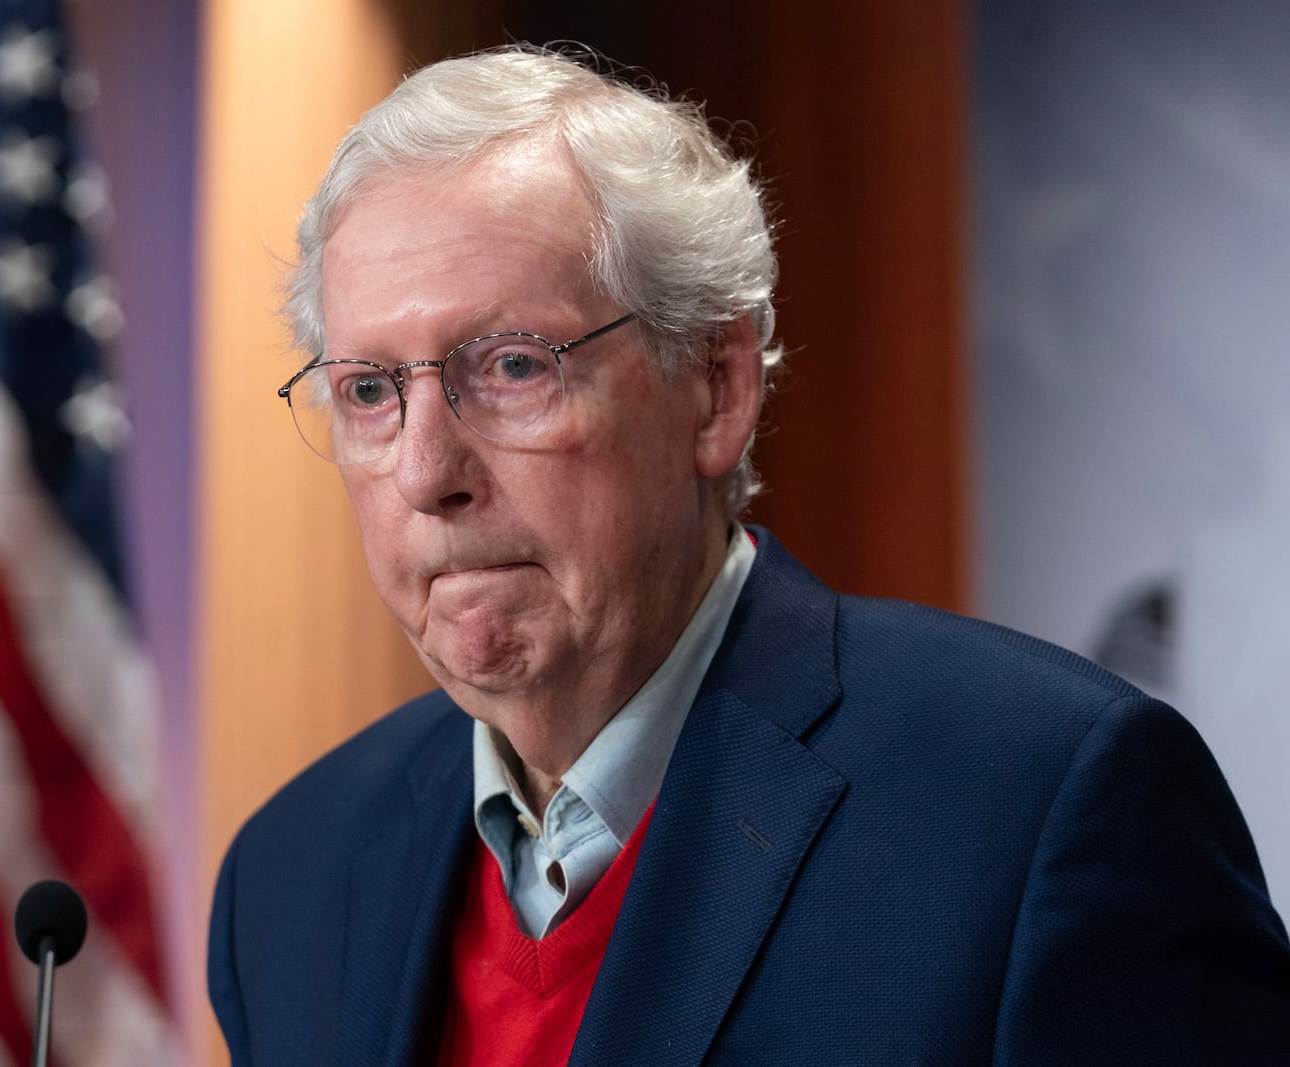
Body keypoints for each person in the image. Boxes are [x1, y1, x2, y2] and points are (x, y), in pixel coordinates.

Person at [208, 45, 1290, 1066]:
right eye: (367, 390)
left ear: (718, 388)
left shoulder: (1044, 804)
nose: (424, 470)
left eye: (511, 367)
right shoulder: (291, 876)